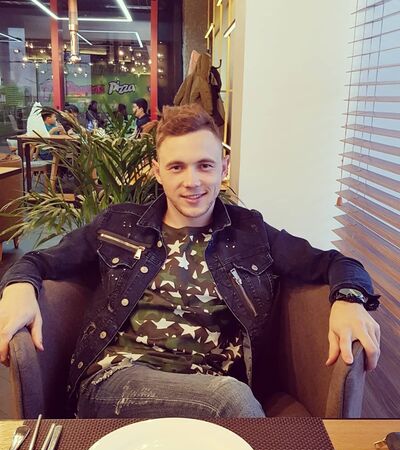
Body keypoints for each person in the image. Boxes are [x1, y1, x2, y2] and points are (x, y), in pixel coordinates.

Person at [0, 104, 380, 419]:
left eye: (205, 165)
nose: (192, 181)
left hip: (212, 386)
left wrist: (349, 300)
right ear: (157, 171)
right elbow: (38, 260)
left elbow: (336, 263)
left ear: (224, 167)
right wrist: (18, 287)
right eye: (176, 167)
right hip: (116, 382)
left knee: (227, 399)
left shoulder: (251, 233)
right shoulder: (118, 225)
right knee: (231, 401)